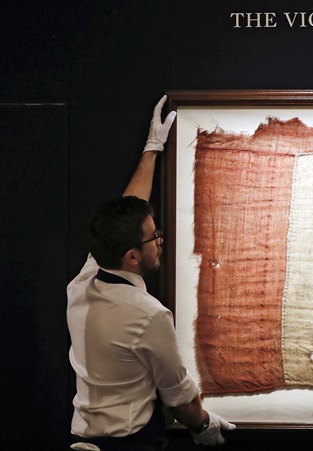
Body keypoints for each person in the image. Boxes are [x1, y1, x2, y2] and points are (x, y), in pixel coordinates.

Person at [67, 95, 235, 451]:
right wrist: (203, 425)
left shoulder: (84, 282)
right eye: (155, 236)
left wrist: (152, 148)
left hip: (83, 438)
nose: (161, 240)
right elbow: (180, 399)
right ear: (131, 256)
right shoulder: (149, 315)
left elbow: (127, 215)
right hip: (130, 444)